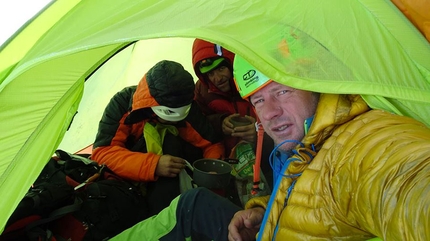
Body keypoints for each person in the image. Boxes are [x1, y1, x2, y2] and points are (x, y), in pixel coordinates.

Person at [110, 56, 430, 241]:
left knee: (187, 206)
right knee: (191, 202)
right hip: (265, 227)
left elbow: (404, 181)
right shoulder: (300, 145)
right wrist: (264, 211)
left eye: (283, 91)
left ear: (317, 85)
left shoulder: (363, 145)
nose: (270, 112)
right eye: (259, 100)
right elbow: (303, 192)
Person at [91, 60, 225, 216]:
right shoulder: (123, 104)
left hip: (177, 176)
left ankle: (180, 215)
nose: (174, 120)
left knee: (170, 138)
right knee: (168, 138)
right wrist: (153, 165)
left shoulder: (186, 103)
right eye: (169, 115)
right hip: (130, 182)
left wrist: (210, 174)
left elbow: (211, 144)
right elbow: (102, 153)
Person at [192, 39, 274, 184]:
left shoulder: (255, 79)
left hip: (267, 159)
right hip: (228, 163)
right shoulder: (202, 90)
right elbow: (199, 123)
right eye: (210, 74)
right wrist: (220, 123)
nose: (217, 78)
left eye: (221, 69)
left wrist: (259, 134)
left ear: (231, 63)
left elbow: (280, 118)